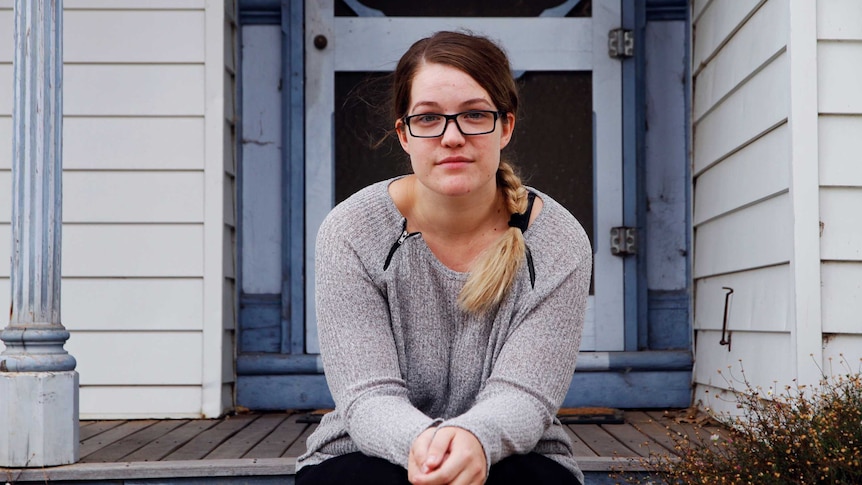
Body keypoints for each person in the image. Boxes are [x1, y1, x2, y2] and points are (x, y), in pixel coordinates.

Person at [296, 31, 592, 485]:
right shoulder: (352, 231)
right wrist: (426, 445)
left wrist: (474, 440)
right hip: (370, 449)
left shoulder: (556, 240)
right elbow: (367, 395)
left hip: (511, 449)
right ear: (404, 134)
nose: (452, 137)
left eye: (475, 115)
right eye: (429, 118)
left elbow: (525, 394)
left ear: (505, 126)